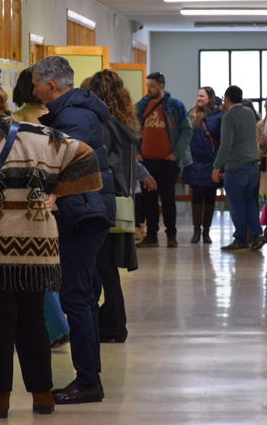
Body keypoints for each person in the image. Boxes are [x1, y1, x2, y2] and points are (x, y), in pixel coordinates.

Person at [0, 80, 103, 418]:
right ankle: (42, 396)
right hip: (38, 242)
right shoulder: (44, 135)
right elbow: (87, 157)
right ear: (3, 102)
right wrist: (57, 192)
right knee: (33, 321)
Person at [32, 56, 113, 404]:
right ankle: (88, 375)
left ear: (51, 85)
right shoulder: (75, 109)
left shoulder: (73, 115)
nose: (33, 90)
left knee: (76, 297)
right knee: (83, 296)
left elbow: (67, 163)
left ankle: (88, 380)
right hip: (88, 209)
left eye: (35, 83)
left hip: (82, 212)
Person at [88, 69, 156, 343]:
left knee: (101, 267)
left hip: (104, 199)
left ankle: (112, 325)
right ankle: (114, 324)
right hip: (121, 199)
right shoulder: (125, 123)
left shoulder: (102, 126)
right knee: (108, 268)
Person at [12, 67, 69, 349]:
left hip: (22, 199)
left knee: (31, 268)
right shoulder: (54, 117)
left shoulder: (13, 121)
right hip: (51, 196)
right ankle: (58, 323)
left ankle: (54, 325)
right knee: (50, 266)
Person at [135, 72, 192, 248]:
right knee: (148, 200)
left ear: (162, 86)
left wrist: (176, 153)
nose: (148, 89)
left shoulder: (175, 106)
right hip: (146, 162)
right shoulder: (140, 106)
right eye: (147, 85)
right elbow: (132, 129)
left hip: (168, 161)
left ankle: (171, 235)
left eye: (152, 86)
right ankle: (151, 235)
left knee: (168, 199)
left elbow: (186, 130)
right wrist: (136, 151)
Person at [212, 85, 263, 251]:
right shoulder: (250, 113)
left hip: (236, 166)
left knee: (236, 204)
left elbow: (226, 144)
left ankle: (240, 238)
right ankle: (256, 234)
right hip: (253, 165)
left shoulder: (228, 117)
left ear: (226, 99)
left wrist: (217, 167)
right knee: (250, 202)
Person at [182, 86, 224, 244]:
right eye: (198, 95)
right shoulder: (191, 114)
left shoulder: (219, 116)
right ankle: (196, 231)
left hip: (212, 162)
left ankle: (206, 231)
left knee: (210, 197)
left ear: (210, 98)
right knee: (196, 197)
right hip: (194, 161)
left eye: (202, 96)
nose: (199, 98)